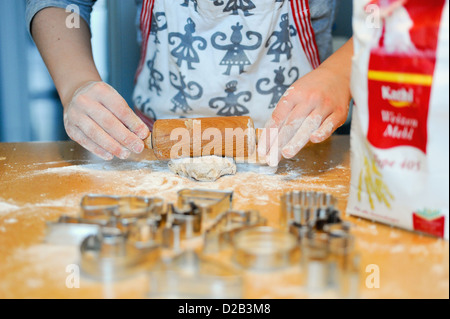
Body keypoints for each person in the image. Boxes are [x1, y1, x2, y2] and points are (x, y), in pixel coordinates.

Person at [26, 0, 353, 167]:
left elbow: (396, 10)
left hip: (298, 144)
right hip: (156, 149)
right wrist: (76, 83)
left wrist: (342, 73)